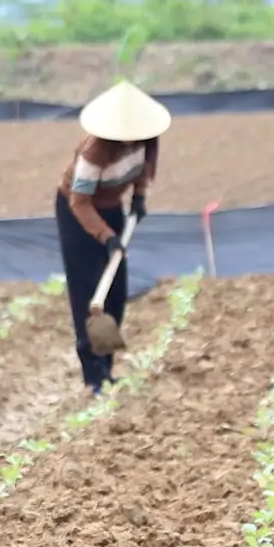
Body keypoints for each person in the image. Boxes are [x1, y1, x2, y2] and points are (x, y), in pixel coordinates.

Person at [55, 81, 171, 393]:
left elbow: (145, 170)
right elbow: (79, 202)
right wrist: (106, 237)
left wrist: (139, 198)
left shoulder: (149, 139)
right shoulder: (96, 150)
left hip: (111, 208)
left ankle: (107, 368)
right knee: (88, 291)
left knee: (115, 291)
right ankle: (93, 376)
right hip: (77, 212)